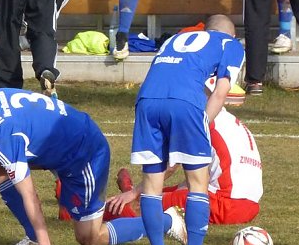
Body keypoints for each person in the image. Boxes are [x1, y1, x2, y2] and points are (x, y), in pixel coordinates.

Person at [0, 89, 186, 245]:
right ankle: (33, 237)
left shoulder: (6, 138)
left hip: (84, 156)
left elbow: (30, 195)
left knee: (89, 238)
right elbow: (13, 119)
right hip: (65, 142)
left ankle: (166, 221)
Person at [131, 14, 244, 245]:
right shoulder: (230, 45)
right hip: (185, 104)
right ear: (231, 35)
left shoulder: (176, 37)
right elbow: (221, 91)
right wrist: (204, 123)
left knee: (151, 185)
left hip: (147, 101)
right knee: (197, 182)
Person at [108, 91, 262, 225]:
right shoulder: (229, 120)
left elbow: (169, 167)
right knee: (167, 192)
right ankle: (128, 195)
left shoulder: (198, 118)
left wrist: (134, 193)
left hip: (226, 204)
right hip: (249, 205)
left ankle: (96, 213)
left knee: (148, 204)